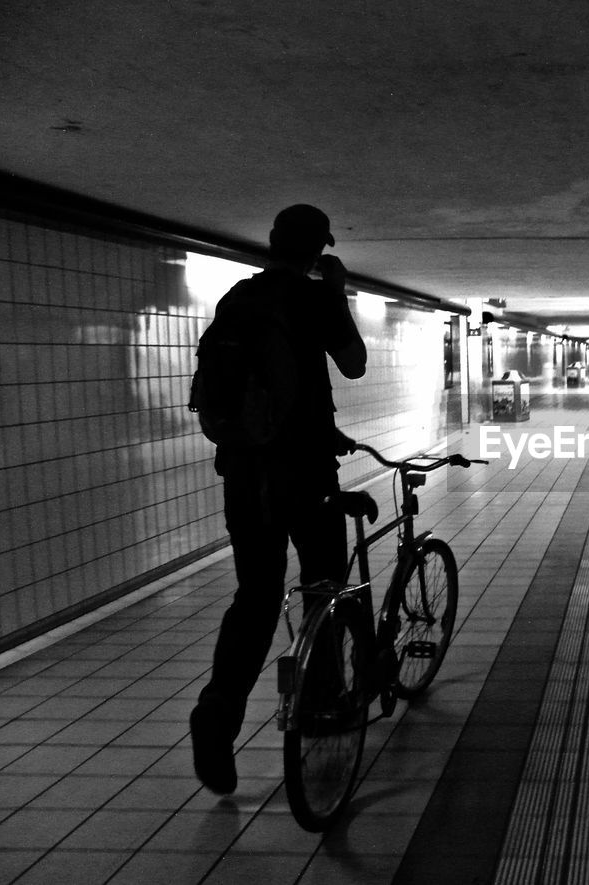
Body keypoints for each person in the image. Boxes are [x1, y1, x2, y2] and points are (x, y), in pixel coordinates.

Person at [189, 204, 367, 795]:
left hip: (244, 475)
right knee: (323, 586)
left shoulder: (240, 295)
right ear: (318, 249)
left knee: (256, 598)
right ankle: (321, 702)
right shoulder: (314, 296)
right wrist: (336, 291)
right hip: (303, 478)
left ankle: (216, 715)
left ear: (271, 241)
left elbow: (267, 389)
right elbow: (354, 364)